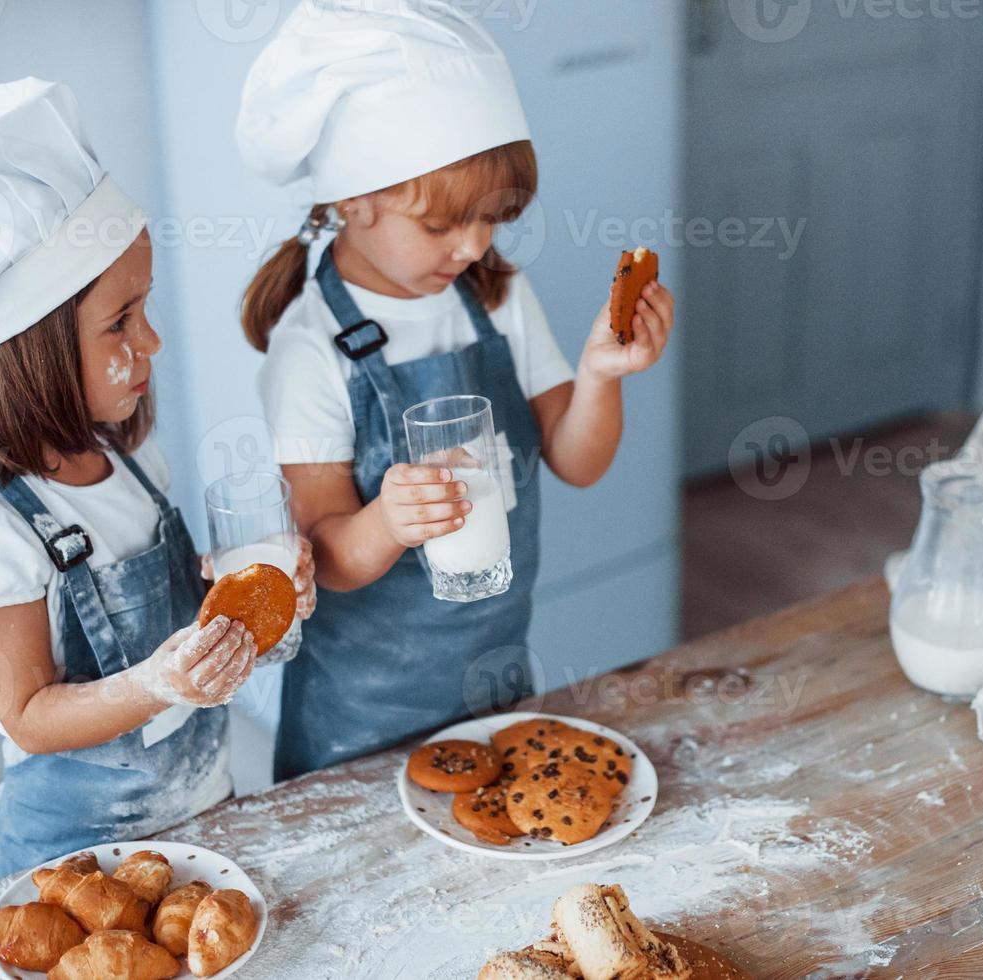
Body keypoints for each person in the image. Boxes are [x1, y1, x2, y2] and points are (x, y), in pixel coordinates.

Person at [0, 78, 315, 891]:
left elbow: (186, 621)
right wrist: (156, 683)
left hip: (202, 819)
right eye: (121, 321)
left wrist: (253, 597)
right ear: (32, 352)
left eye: (145, 308)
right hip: (78, 867)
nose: (153, 340)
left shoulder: (133, 461)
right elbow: (27, 713)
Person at [235, 2, 676, 780]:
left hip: (495, 684)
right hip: (359, 724)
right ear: (354, 200)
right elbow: (325, 554)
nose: (474, 245)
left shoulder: (496, 297)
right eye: (443, 225)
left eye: (492, 219)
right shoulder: (312, 349)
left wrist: (602, 376)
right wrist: (387, 521)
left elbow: (578, 460)